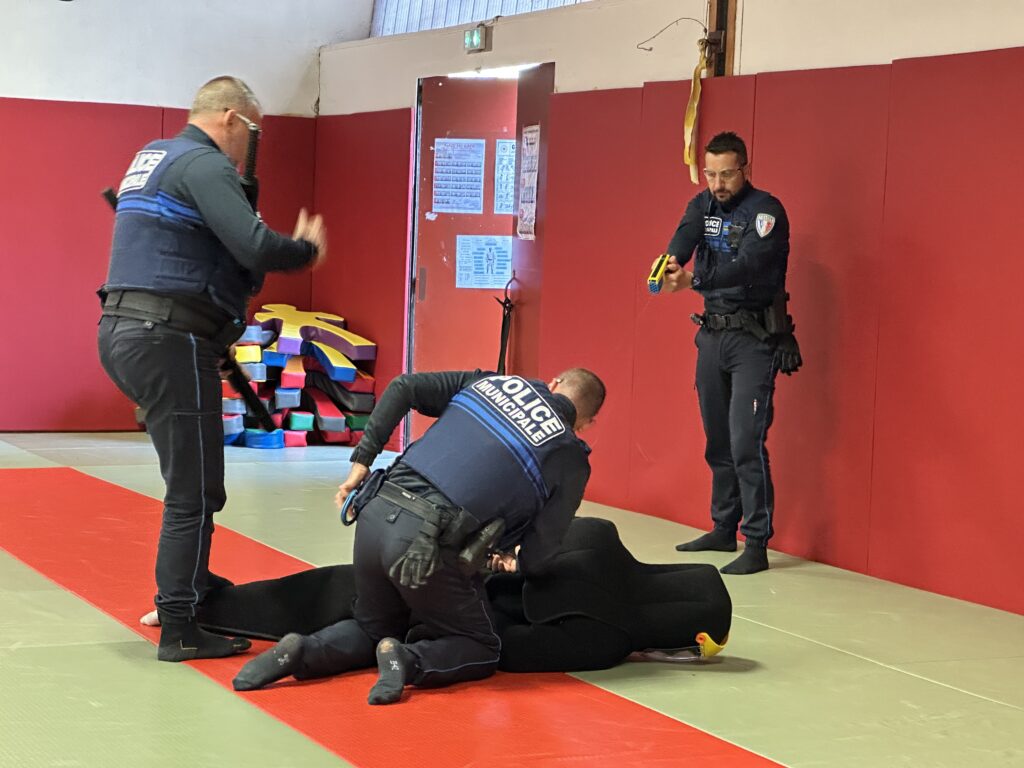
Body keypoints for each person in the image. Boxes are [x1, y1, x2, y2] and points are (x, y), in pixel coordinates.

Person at [96, 76, 328, 662]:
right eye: (252, 132)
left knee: (195, 482)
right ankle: (179, 623)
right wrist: (305, 249)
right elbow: (254, 247)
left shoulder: (153, 158)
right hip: (166, 338)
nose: (251, 145)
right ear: (229, 118)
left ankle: (190, 589)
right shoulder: (203, 163)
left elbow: (186, 254)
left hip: (134, 332)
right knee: (195, 492)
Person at [231, 368, 605, 703]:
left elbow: (404, 386)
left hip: (375, 510)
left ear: (554, 381)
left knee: (373, 626)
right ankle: (410, 660)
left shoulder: (494, 382)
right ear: (585, 423)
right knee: (482, 646)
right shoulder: (570, 456)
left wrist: (362, 461)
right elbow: (539, 557)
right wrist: (509, 561)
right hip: (425, 547)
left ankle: (301, 650)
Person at [193, 517, 732, 671]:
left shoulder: (601, 534)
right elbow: (510, 650)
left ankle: (202, 605)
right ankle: (308, 654)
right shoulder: (609, 636)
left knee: (336, 584)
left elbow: (516, 532)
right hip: (459, 608)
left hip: (444, 553)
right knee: (367, 627)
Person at [654, 131, 801, 575]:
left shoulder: (766, 211)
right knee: (717, 440)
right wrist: (669, 265)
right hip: (712, 337)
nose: (718, 183)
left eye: (726, 174)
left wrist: (694, 283)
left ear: (745, 169)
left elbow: (750, 266)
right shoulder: (703, 204)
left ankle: (755, 542)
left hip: (753, 340)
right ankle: (723, 528)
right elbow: (682, 239)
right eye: (711, 173)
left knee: (745, 442)